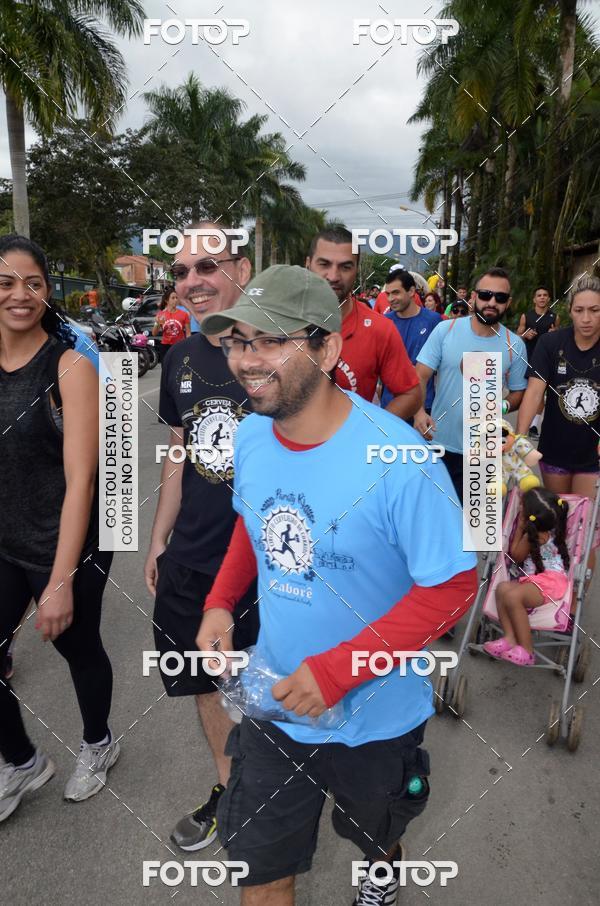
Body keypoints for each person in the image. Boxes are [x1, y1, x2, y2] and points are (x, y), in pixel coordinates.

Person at [197, 264, 478, 905]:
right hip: (276, 703)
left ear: (326, 348)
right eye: (238, 340)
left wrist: (339, 672)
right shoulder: (249, 436)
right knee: (261, 870)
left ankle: (381, 873)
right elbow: (253, 522)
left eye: (270, 340)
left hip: (376, 719)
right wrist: (220, 602)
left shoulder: (399, 460)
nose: (247, 359)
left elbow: (455, 587)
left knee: (374, 835)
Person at [144, 222, 259, 851]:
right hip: (192, 560)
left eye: (206, 267)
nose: (192, 282)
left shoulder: (281, 350)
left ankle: (277, 790)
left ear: (240, 270)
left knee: (269, 687)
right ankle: (231, 790)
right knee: (206, 684)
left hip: (269, 565)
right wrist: (159, 540)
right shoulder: (179, 357)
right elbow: (179, 455)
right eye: (182, 272)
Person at [0, 234, 117, 821]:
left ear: (48, 292)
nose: (20, 295)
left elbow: (83, 481)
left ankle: (99, 742)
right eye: (5, 282)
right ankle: (21, 761)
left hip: (71, 539)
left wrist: (59, 581)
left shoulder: (70, 364)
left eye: (33, 283)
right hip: (8, 538)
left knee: (77, 644)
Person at [415, 267, 528, 503]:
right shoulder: (446, 331)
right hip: (441, 445)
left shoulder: (514, 344)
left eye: (500, 297)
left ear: (508, 303)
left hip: (486, 453)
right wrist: (418, 413)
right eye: (485, 294)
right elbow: (420, 376)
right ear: (473, 297)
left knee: (477, 534)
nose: (492, 302)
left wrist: (503, 407)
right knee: (440, 526)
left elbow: (519, 392)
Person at [306, 229, 422, 419]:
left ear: (357, 270)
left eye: (345, 267)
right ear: (308, 264)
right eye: (324, 264)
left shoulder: (380, 329)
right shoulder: (278, 321)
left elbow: (411, 393)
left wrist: (371, 432)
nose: (333, 276)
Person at [516, 274, 600, 501]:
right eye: (579, 310)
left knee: (584, 523)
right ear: (570, 311)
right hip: (554, 450)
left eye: (594, 310)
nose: (586, 318)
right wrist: (520, 440)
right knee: (557, 519)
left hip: (594, 455)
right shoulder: (550, 344)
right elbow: (534, 393)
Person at [484, 489, 569, 666]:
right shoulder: (554, 525)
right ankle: (510, 639)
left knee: (512, 596)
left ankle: (528, 651)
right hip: (541, 581)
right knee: (502, 589)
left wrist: (521, 527)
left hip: (549, 583)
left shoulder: (535, 535)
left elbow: (515, 556)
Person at [381, 269, 442, 414]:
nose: (390, 299)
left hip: (423, 406)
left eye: (396, 292)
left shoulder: (433, 321)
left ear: (411, 291)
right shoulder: (385, 322)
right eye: (388, 294)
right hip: (391, 407)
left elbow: (443, 364)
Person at [517, 285, 559, 436]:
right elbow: (517, 336)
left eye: (545, 295)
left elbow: (558, 339)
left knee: (540, 392)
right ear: (534, 299)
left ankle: (533, 426)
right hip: (528, 356)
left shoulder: (554, 317)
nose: (542, 297)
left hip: (546, 359)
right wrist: (525, 335)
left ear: (548, 299)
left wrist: (554, 334)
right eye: (539, 295)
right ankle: (523, 425)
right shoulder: (526, 316)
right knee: (525, 392)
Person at [153, 286, 191, 363]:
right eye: (173, 298)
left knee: (178, 370)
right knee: (166, 370)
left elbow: (188, 333)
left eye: (176, 298)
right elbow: (154, 333)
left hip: (179, 346)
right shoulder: (160, 314)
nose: (175, 300)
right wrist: (157, 323)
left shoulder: (184, 314)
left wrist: (188, 346)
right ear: (167, 300)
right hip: (165, 347)